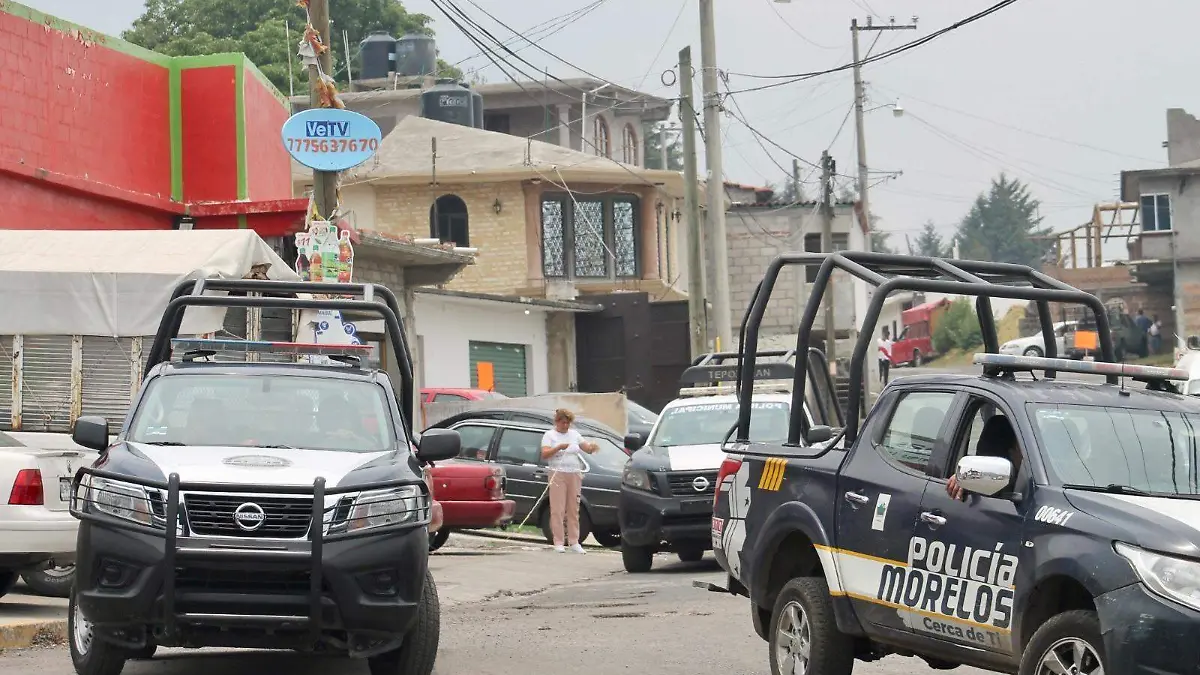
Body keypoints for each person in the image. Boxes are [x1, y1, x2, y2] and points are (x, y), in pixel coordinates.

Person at [540, 409, 599, 553]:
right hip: (558, 473)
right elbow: (545, 454)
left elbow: (586, 448)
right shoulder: (550, 435)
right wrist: (559, 447)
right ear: (557, 422)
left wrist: (592, 447)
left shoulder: (574, 435)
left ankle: (574, 541)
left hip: (574, 473)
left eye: (568, 423)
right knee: (558, 509)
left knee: (574, 508)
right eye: (563, 422)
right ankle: (558, 541)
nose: (565, 426)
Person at [947, 415, 1022, 500]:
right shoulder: (990, 479)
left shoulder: (1036, 478)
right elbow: (974, 476)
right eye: (1023, 445)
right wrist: (964, 478)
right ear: (1011, 452)